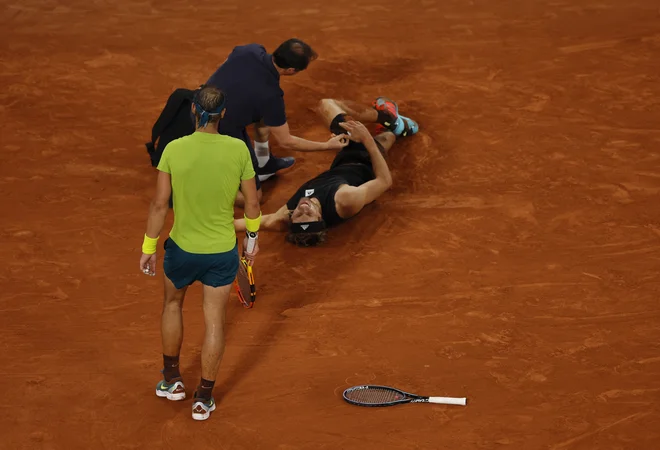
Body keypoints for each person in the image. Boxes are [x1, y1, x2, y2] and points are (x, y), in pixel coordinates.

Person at [139, 86, 263, 421]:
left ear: (194, 111)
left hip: (180, 251)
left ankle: (172, 381)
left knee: (172, 304)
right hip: (222, 253)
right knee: (214, 323)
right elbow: (252, 203)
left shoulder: (173, 149)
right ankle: (203, 399)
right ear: (223, 113)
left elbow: (160, 204)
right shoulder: (238, 149)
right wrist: (250, 245)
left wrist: (149, 247)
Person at [233, 97, 419, 246]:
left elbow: (242, 224)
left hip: (341, 162)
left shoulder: (283, 217)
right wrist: (366, 139)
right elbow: (384, 181)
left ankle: (396, 129)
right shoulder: (345, 200)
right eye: (309, 214)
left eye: (298, 215)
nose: (303, 208)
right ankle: (388, 118)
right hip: (367, 160)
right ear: (320, 216)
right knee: (327, 105)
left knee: (384, 138)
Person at [205, 38, 349, 206]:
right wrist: (327, 145)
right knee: (253, 198)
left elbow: (224, 65)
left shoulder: (250, 50)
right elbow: (286, 141)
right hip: (214, 131)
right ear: (290, 70)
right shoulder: (271, 96)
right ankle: (198, 187)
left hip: (199, 104)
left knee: (264, 119)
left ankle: (263, 163)